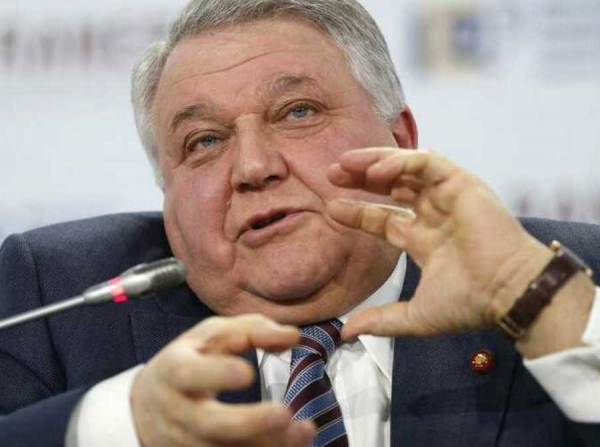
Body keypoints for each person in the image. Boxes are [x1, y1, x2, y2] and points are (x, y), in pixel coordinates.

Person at [0, 0, 599, 446]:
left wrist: (535, 299)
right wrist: (118, 424)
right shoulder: (59, 303)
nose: (253, 167)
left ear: (399, 141)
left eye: (297, 112)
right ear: (166, 191)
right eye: (204, 141)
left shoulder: (566, 275)